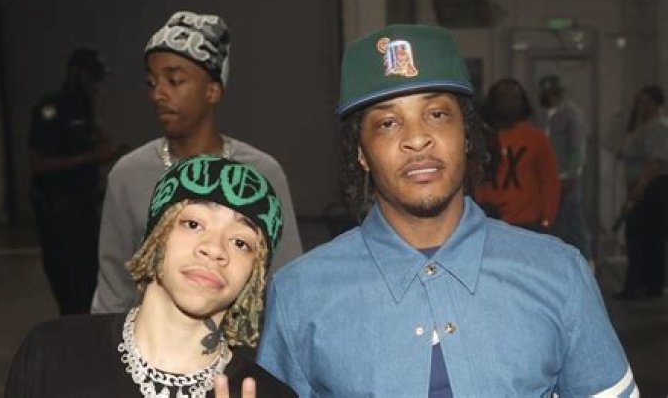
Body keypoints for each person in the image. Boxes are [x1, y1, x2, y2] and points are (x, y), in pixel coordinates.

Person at [257, 24, 637, 396]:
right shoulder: (299, 294)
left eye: (437, 114)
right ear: (361, 153)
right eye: (388, 123)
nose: (417, 138)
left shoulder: (559, 274)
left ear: (467, 134)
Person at [6, 155, 297, 397]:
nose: (214, 249)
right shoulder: (51, 354)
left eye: (240, 242)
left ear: (255, 273)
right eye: (193, 224)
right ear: (156, 235)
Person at [91, 11, 303, 314]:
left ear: (212, 90)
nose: (158, 94)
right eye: (152, 83)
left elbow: (286, 281)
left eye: (174, 81)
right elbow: (114, 289)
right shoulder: (128, 174)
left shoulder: (260, 174)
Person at [28, 47, 114, 315]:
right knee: (70, 287)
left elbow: (99, 144)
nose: (96, 85)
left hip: (86, 209)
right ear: (78, 74)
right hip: (59, 211)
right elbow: (38, 163)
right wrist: (90, 158)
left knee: (90, 284)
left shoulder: (86, 109)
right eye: (92, 78)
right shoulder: (51, 109)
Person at [474, 78, 560, 232]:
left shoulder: (536, 139)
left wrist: (547, 219)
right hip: (488, 220)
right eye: (503, 96)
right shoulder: (480, 138)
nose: (509, 102)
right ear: (493, 100)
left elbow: (550, 181)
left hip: (528, 221)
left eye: (515, 97)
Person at [615, 85, 668, 300]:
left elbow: (656, 162)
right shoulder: (643, 127)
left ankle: (645, 285)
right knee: (641, 236)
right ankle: (643, 283)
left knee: (644, 237)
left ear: (656, 104)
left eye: (646, 102)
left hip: (651, 187)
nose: (641, 107)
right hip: (642, 186)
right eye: (640, 102)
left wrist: (639, 189)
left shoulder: (657, 127)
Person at [537, 74, 592, 260]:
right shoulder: (543, 115)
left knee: (573, 221)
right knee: (553, 223)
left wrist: (572, 175)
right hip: (548, 180)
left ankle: (586, 261)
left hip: (567, 179)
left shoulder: (572, 114)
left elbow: (577, 149)